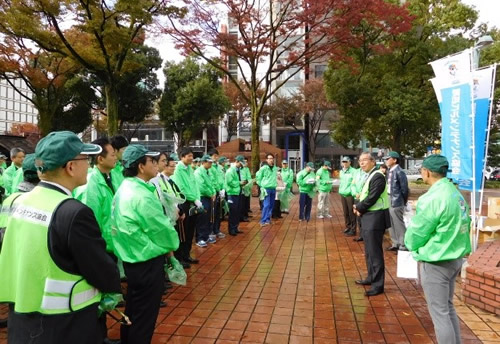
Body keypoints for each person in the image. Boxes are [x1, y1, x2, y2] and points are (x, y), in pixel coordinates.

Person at [0, 131, 121, 343]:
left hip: (22, 321)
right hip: (65, 325)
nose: (89, 165)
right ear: (70, 166)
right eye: (86, 159)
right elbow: (102, 271)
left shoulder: (19, 201)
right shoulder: (74, 212)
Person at [111, 144, 179, 344]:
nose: (156, 164)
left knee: (134, 310)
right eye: (152, 161)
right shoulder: (141, 195)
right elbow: (162, 230)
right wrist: (171, 248)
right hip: (146, 260)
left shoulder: (126, 187)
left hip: (132, 259)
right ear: (141, 166)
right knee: (144, 317)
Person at [405, 155, 470, 344]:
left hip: (436, 259)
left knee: (440, 314)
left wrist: (411, 245)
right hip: (455, 256)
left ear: (426, 171)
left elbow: (417, 233)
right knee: (447, 308)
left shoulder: (432, 198)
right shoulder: (454, 192)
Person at [353, 152, 390, 297]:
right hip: (369, 217)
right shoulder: (371, 175)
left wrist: (359, 207)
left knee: (375, 252)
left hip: (375, 217)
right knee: (369, 250)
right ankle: (371, 277)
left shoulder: (378, 176)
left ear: (373, 161)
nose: (361, 163)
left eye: (365, 160)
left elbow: (373, 196)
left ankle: (378, 285)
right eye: (360, 161)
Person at [172, 147, 202, 266]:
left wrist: (197, 198)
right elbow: (181, 188)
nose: (191, 158)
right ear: (182, 157)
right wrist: (193, 198)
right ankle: (180, 258)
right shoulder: (177, 170)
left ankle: (187, 255)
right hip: (183, 202)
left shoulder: (190, 168)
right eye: (188, 156)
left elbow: (195, 185)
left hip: (193, 203)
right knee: (182, 231)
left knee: (190, 231)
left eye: (192, 155)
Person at [384, 151, 409, 251]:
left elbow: (404, 189)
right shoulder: (390, 171)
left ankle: (404, 244)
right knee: (390, 223)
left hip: (397, 200)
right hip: (389, 198)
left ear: (394, 160)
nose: (386, 161)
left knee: (398, 223)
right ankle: (395, 243)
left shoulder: (399, 171)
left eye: (388, 158)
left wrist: (403, 201)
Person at [194, 154, 216, 247]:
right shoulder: (198, 172)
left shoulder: (208, 171)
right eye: (209, 162)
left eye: (211, 162)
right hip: (202, 197)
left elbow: (211, 183)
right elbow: (201, 186)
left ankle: (206, 236)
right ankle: (200, 238)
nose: (210, 164)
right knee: (202, 218)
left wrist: (213, 192)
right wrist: (210, 193)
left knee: (208, 218)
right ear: (203, 162)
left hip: (209, 197)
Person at [225, 155, 245, 236]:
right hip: (232, 193)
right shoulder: (230, 171)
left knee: (237, 211)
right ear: (237, 161)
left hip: (237, 192)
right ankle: (231, 229)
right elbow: (230, 182)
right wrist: (239, 183)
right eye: (240, 164)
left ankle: (235, 227)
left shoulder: (237, 170)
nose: (241, 166)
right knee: (233, 212)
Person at [256, 153, 277, 227]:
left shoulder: (275, 168)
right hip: (266, 188)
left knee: (271, 205)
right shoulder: (263, 168)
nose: (271, 160)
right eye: (269, 158)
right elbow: (258, 177)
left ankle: (268, 219)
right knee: (266, 205)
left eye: (272, 158)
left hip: (273, 188)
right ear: (267, 160)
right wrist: (262, 186)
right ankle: (263, 220)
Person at [209, 150, 226, 240]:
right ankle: (211, 230)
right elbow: (212, 181)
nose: (216, 158)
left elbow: (223, 178)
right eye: (214, 156)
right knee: (212, 212)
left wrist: (223, 188)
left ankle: (217, 229)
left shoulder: (219, 167)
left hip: (220, 192)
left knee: (218, 212)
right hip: (213, 192)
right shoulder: (209, 167)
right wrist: (217, 190)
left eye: (217, 156)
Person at [339, 156, 357, 236]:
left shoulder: (354, 171)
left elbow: (354, 183)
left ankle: (353, 229)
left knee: (351, 212)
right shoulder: (341, 171)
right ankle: (348, 226)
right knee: (345, 212)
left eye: (346, 162)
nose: (344, 163)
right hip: (343, 193)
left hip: (350, 194)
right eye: (343, 162)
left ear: (350, 162)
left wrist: (352, 192)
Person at [350, 166, 366, 242]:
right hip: (356, 198)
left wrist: (361, 194)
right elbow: (352, 184)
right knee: (358, 217)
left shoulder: (368, 172)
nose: (362, 163)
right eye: (360, 161)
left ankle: (366, 236)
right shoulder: (356, 172)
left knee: (365, 217)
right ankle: (361, 235)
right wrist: (355, 193)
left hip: (364, 198)